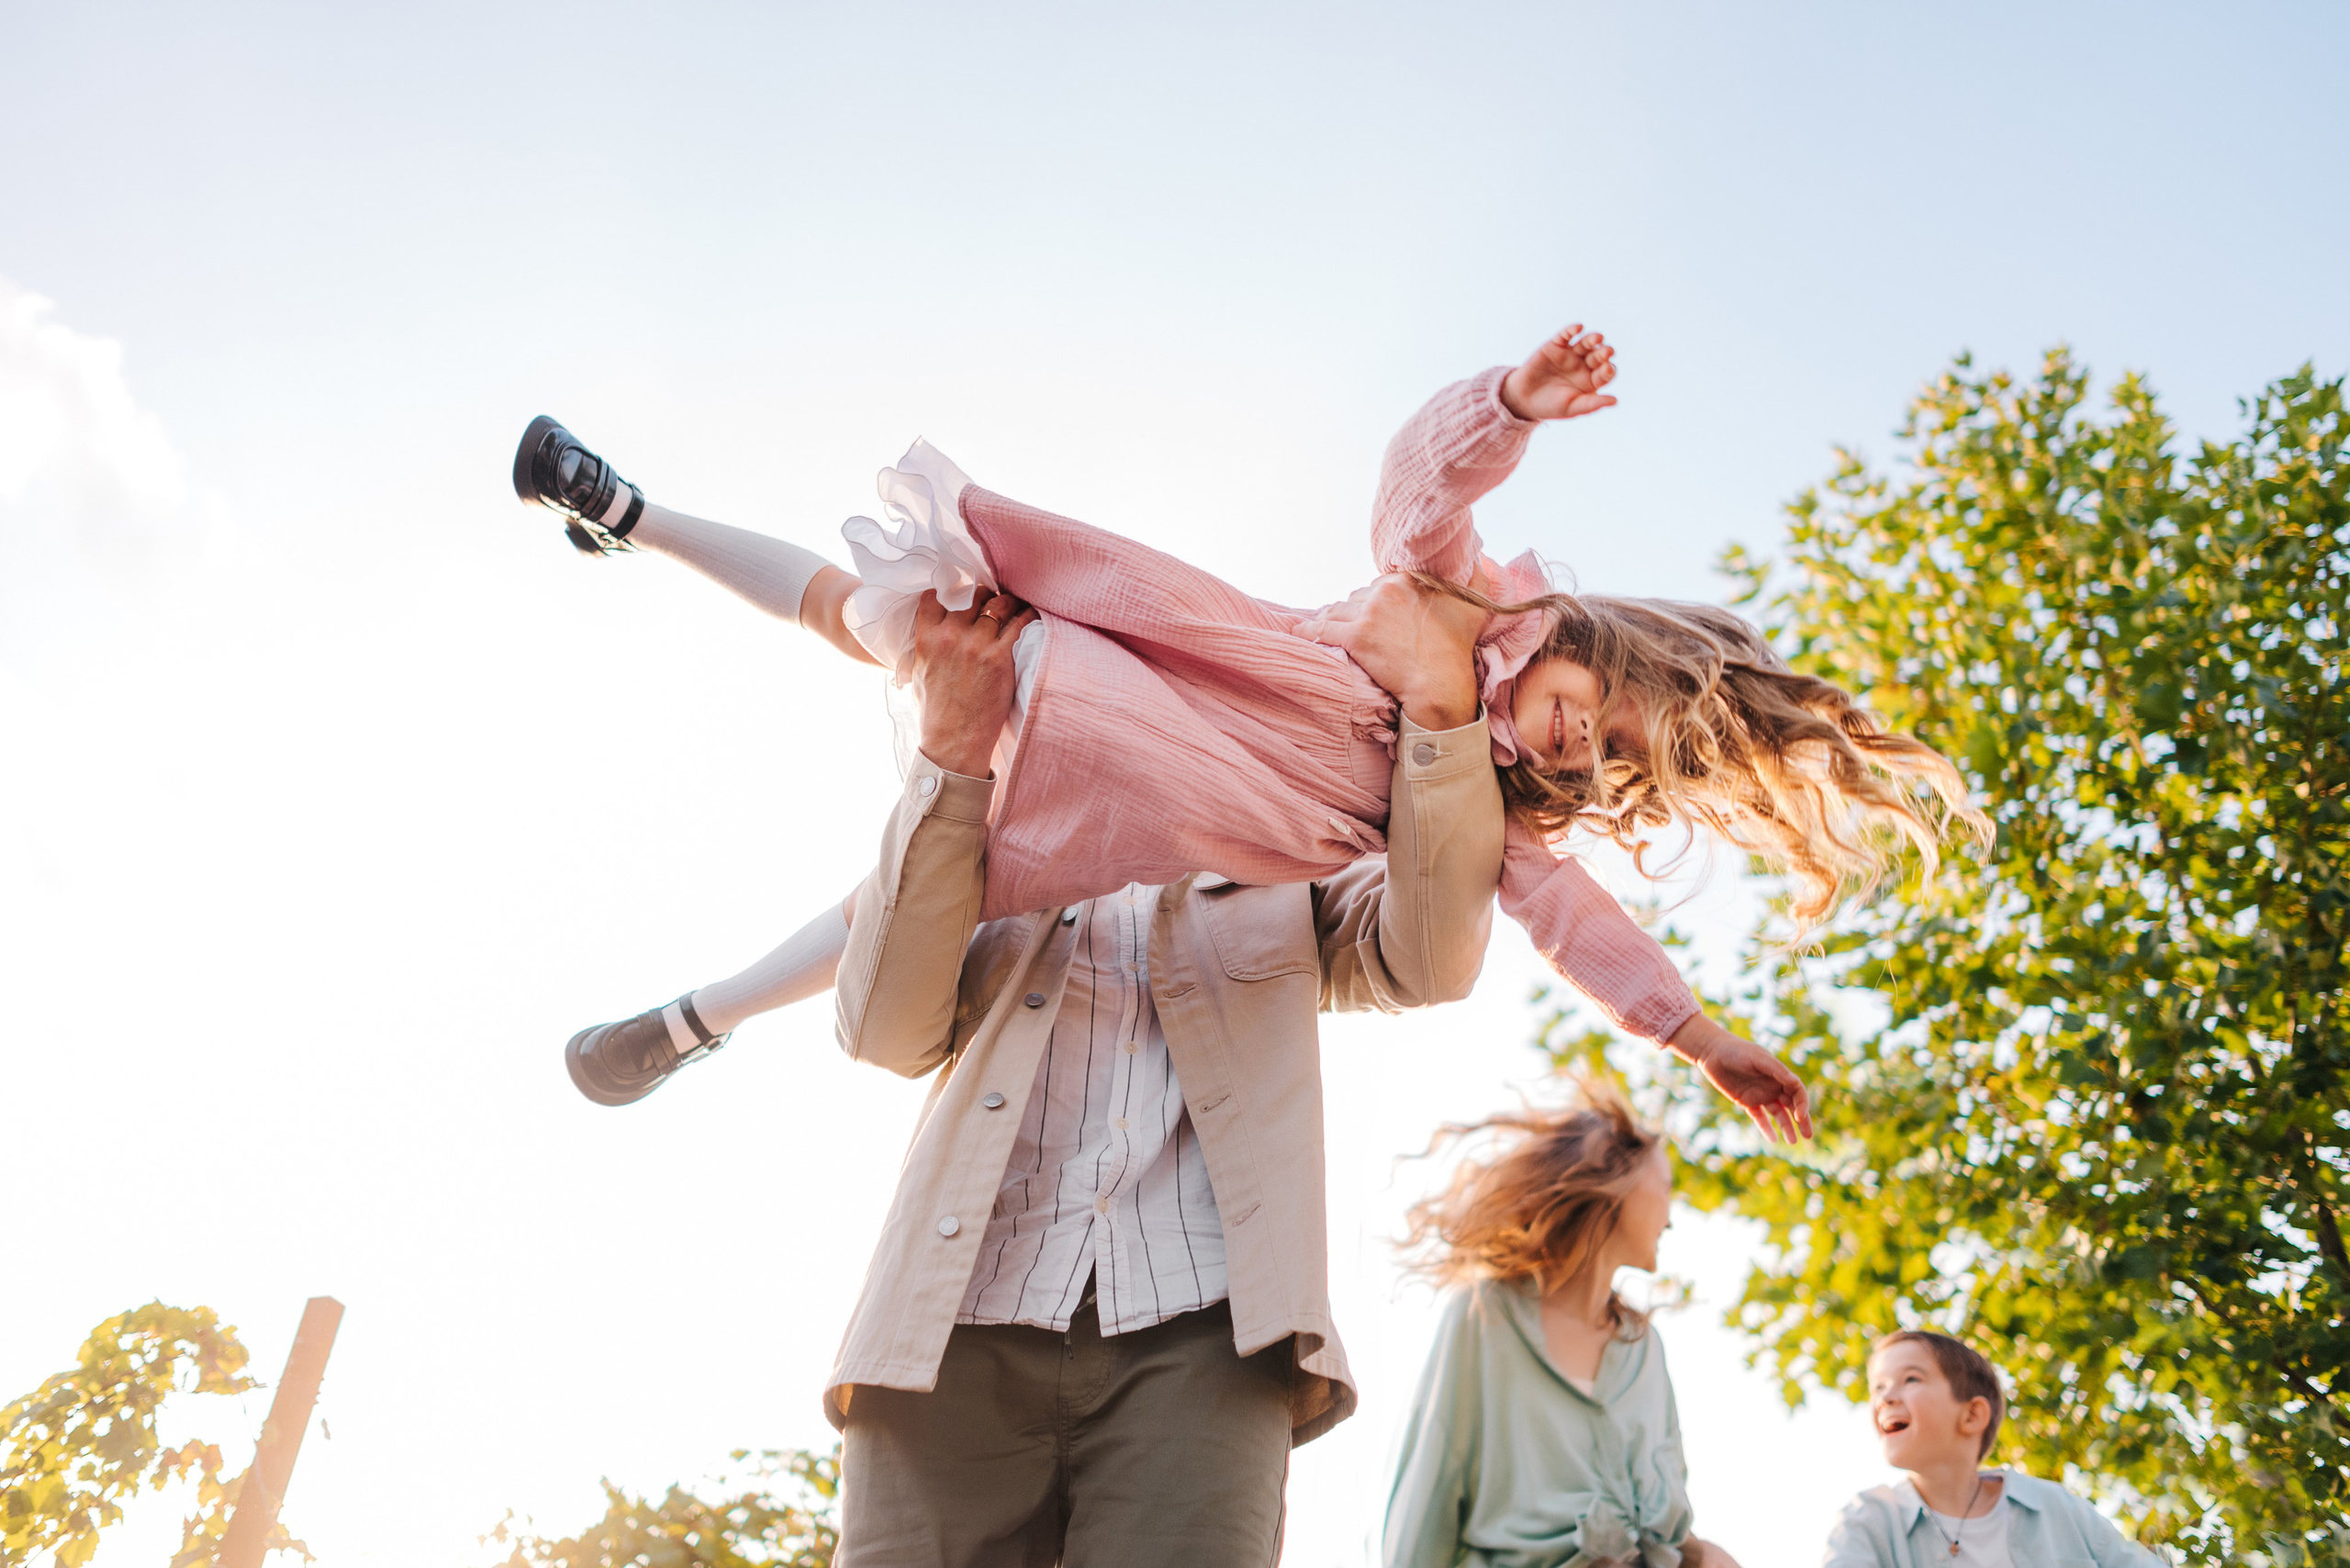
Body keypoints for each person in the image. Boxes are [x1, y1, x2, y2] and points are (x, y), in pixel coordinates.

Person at [520, 321, 1992, 1137]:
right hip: (1145, 675)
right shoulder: (1462, 603)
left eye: (1604, 766)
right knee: (883, 618)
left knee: (922, 884)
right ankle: (631, 513)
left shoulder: (1488, 820)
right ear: (1595, 647)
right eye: (1598, 712)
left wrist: (1695, 1033)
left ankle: (700, 1015)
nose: (1577, 747)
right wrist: (1511, 403)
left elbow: (1579, 928)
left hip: (1158, 811)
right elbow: (1418, 490)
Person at [812, 554, 1508, 1564]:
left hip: (1205, 1345)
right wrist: (952, 751)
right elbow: (882, 1029)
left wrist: (1442, 706)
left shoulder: (1288, 862)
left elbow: (1430, 955)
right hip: (949, 1332)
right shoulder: (992, 839)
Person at [1382, 1087, 1741, 1568]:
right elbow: (1426, 1499)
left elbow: (1671, 1528)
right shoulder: (1485, 1316)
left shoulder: (1644, 1348)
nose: (1671, 1218)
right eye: (1667, 1188)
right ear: (1621, 1180)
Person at [1822, 1332, 2164, 1567]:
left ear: (1972, 1415)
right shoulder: (1865, 1522)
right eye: (1878, 1387)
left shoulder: (2055, 1508)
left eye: (1911, 1379)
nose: (1885, 1397)